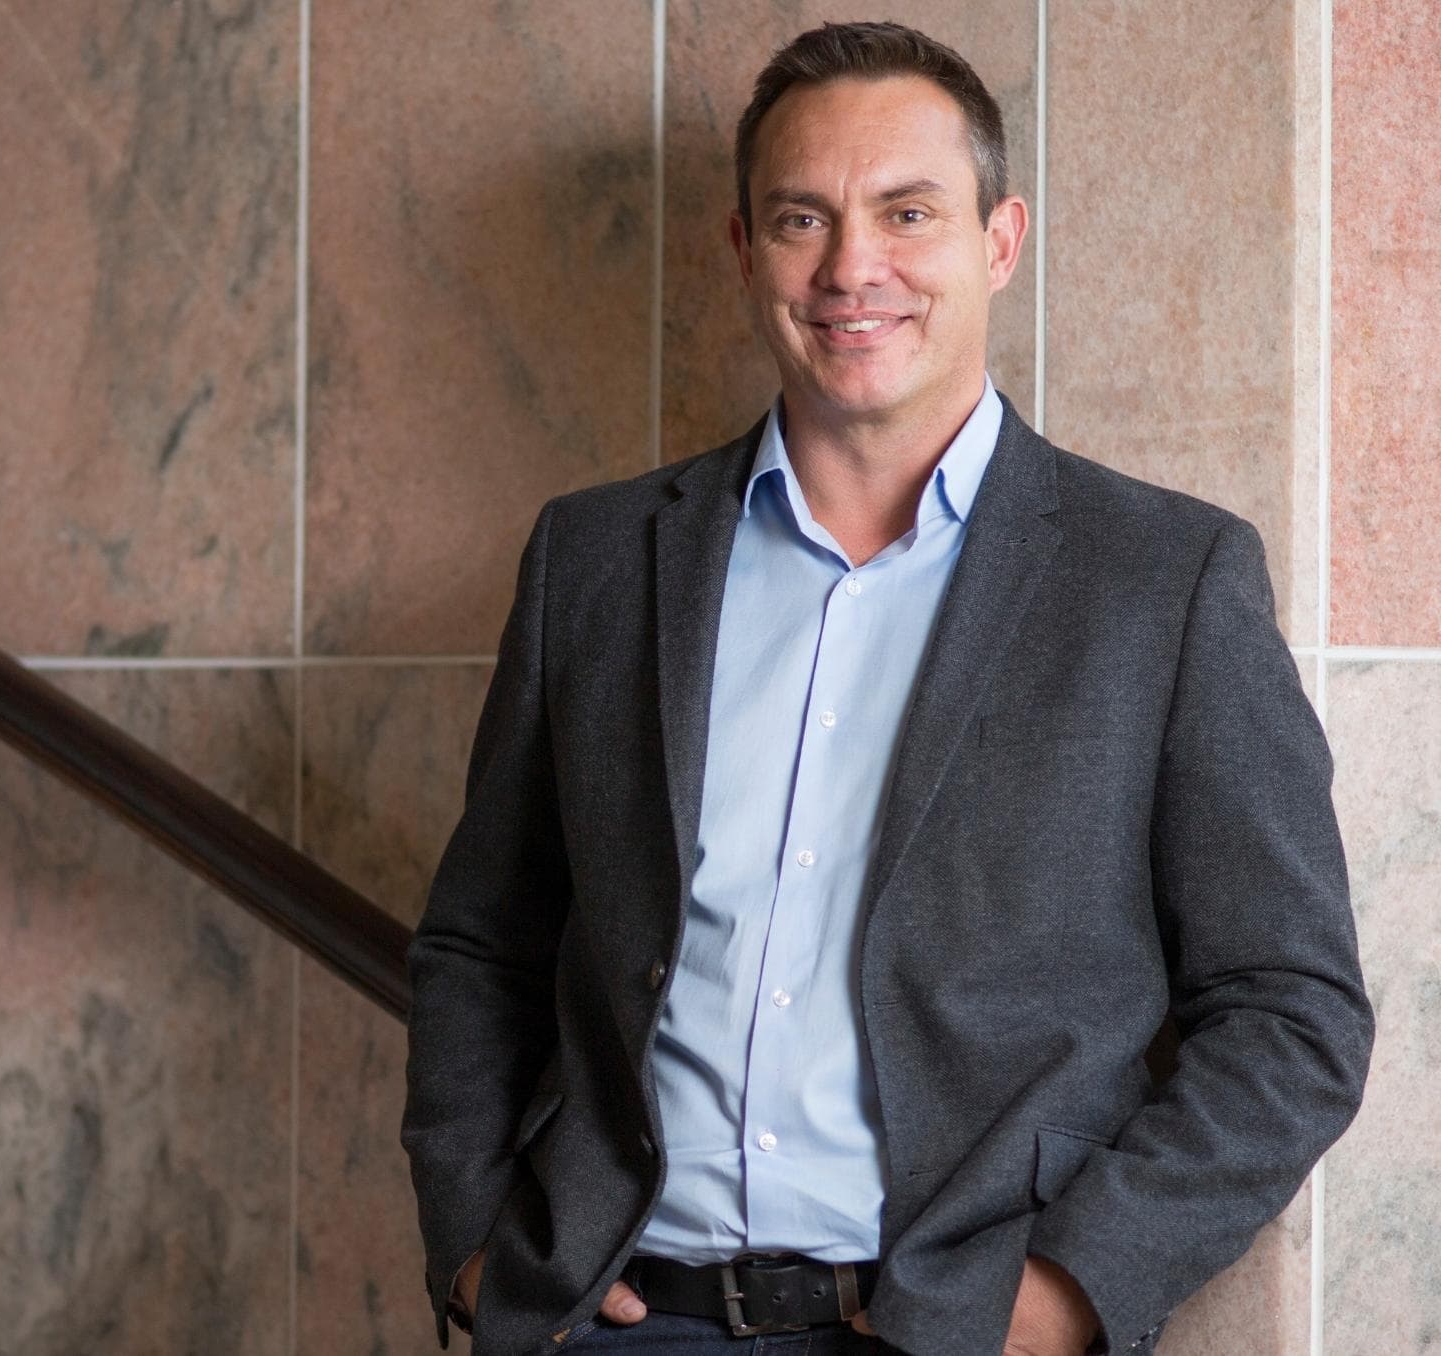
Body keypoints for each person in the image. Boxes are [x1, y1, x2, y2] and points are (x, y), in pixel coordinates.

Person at [401, 21, 1373, 1356]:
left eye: (908, 212)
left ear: (998, 240)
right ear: (746, 252)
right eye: (803, 217)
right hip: (624, 1318)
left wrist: (1067, 1296)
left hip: (953, 1327)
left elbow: (1291, 1011)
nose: (854, 267)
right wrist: (470, 1245)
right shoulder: (600, 562)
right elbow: (481, 941)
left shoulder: (1164, 579)